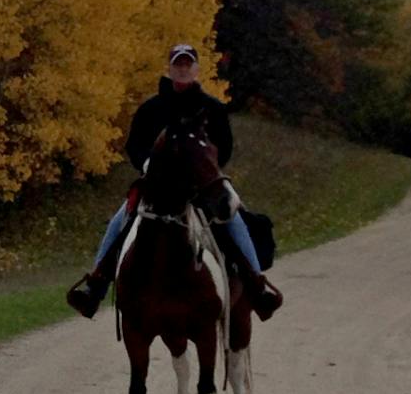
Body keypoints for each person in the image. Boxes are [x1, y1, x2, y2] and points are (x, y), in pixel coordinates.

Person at [65, 43, 284, 322]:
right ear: (169, 69)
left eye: (187, 64)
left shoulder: (213, 108)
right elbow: (135, 145)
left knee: (234, 218)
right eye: (178, 64)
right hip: (157, 187)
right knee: (120, 220)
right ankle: (95, 285)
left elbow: (224, 147)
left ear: (196, 69)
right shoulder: (151, 108)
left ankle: (256, 285)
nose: (182, 69)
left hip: (202, 186)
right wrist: (146, 163)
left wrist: (207, 171)